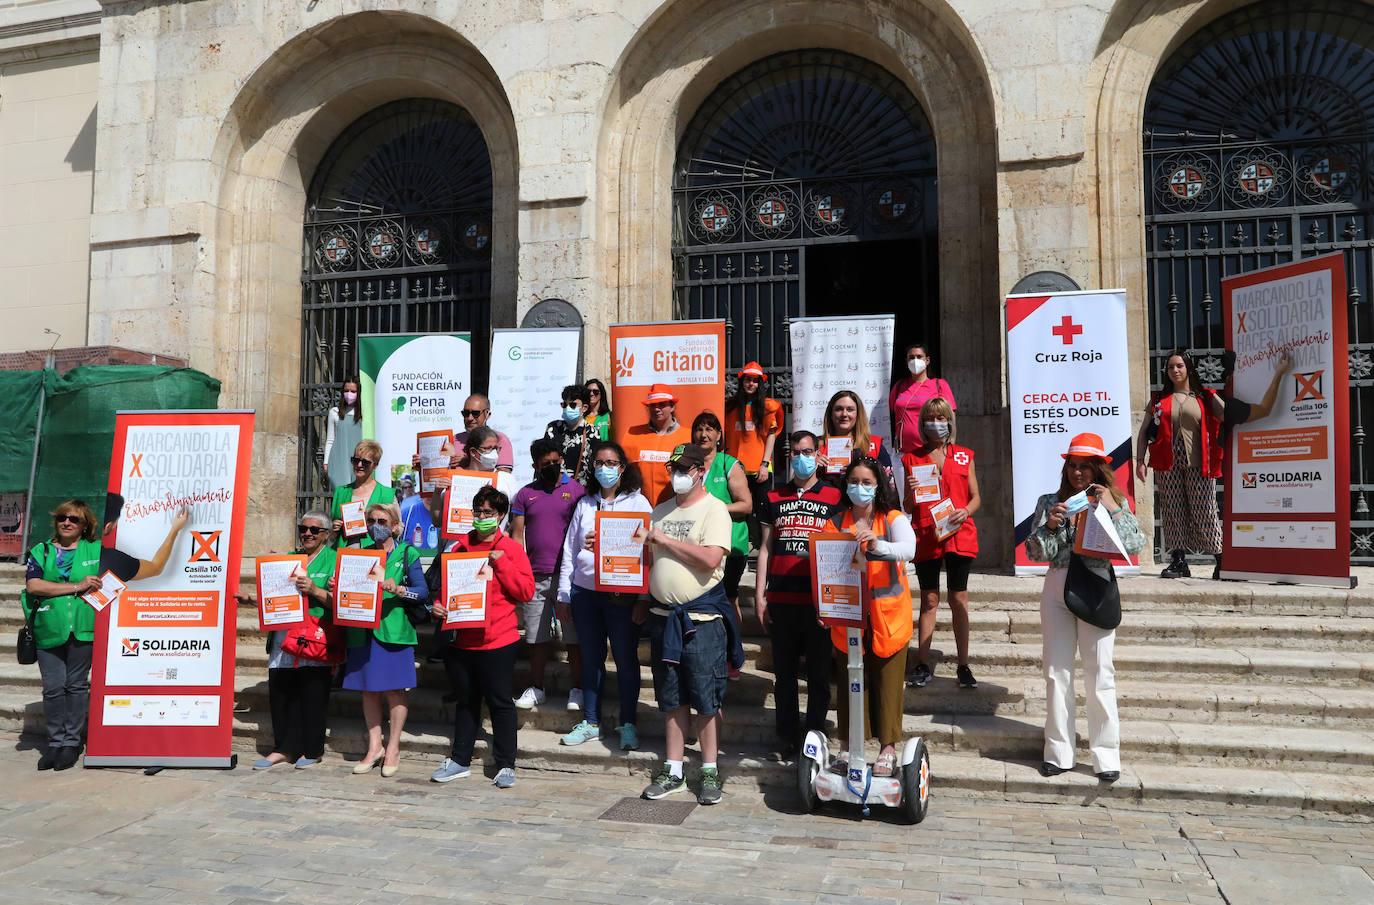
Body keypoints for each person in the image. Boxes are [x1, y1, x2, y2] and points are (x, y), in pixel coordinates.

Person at [21, 496, 189, 771]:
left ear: (85, 525)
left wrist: (174, 530)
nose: (66, 522)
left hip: (84, 631)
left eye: (73, 519)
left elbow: (155, 567)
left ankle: (70, 744)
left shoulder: (100, 553)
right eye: (62, 518)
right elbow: (34, 586)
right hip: (48, 628)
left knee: (75, 686)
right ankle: (54, 742)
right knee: (52, 689)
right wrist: (78, 586)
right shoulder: (42, 551)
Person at [1025, 433, 1146, 782]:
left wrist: (1113, 507)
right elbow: (1036, 554)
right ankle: (1059, 752)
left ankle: (1106, 756)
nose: (1077, 472)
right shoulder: (1050, 501)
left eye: (1084, 466)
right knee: (1056, 673)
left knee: (1100, 674)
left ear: (1097, 469)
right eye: (1072, 466)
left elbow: (1136, 544)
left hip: (1095, 585)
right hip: (1057, 586)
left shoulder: (1113, 500)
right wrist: (1050, 525)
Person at [639, 443, 741, 805]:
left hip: (701, 620)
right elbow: (643, 556)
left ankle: (710, 770)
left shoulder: (715, 510)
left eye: (683, 469)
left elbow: (711, 558)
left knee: (705, 698)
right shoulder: (660, 510)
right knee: (671, 698)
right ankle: (674, 770)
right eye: (673, 469)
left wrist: (665, 540)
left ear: (700, 471)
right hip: (663, 618)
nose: (676, 475)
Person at [429, 486, 535, 789]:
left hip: (498, 640)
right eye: (478, 511)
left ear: (501, 516)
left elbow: (525, 592)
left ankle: (506, 764)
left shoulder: (512, 549)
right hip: (462, 639)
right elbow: (445, 592)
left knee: (500, 703)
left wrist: (500, 562)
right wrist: (439, 606)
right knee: (466, 702)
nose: (482, 517)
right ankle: (460, 760)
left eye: (488, 512)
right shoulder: (459, 548)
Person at [558, 440, 652, 750]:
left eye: (611, 463)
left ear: (623, 468)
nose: (605, 469)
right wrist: (565, 593)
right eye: (599, 463)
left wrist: (643, 598)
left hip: (622, 597)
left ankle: (628, 724)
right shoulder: (585, 504)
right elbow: (570, 551)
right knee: (591, 660)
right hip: (586, 594)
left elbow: (647, 552)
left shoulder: (638, 504)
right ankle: (591, 721)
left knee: (625, 660)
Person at [825, 457, 915, 778]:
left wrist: (877, 545)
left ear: (878, 486)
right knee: (852, 683)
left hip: (888, 618)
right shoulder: (835, 520)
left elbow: (909, 548)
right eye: (854, 481)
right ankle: (849, 746)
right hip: (847, 617)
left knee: (887, 684)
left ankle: (888, 748)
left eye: (866, 482)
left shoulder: (891, 518)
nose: (859, 488)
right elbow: (823, 563)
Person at [755, 430, 843, 752]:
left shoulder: (835, 496)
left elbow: (840, 549)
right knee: (785, 676)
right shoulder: (774, 497)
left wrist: (835, 602)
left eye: (807, 452)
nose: (801, 457)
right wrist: (759, 595)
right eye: (795, 452)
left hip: (818, 601)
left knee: (820, 674)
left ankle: (816, 734)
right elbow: (764, 548)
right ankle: (787, 735)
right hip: (781, 598)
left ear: (818, 455)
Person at [234, 510, 338, 770]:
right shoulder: (287, 560)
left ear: (326, 535)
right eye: (303, 528)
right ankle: (283, 748)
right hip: (284, 635)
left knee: (313, 693)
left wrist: (314, 590)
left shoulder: (335, 561)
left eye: (315, 530)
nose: (307, 534)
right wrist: (252, 600)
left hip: (315, 636)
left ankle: (312, 749)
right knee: (281, 692)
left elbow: (342, 604)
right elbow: (274, 598)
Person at [339, 501, 428, 778]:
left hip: (394, 630)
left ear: (394, 526)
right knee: (368, 689)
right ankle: (374, 745)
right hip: (363, 629)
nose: (377, 527)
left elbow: (422, 592)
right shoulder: (361, 555)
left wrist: (400, 589)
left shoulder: (407, 552)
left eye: (382, 522)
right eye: (372, 522)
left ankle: (393, 747)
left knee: (395, 690)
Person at [901, 398, 980, 689]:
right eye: (930, 417)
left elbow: (976, 497)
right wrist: (909, 493)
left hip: (959, 531)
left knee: (958, 598)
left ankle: (963, 664)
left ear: (950, 421)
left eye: (941, 416)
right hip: (927, 533)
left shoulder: (963, 456)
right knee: (929, 599)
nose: (936, 421)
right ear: (922, 423)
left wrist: (966, 510)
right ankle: (922, 663)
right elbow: (908, 506)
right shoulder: (912, 458)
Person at [511, 438, 587, 712]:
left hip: (569, 577)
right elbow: (517, 535)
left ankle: (577, 689)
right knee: (535, 638)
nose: (553, 467)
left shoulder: (577, 491)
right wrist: (520, 572)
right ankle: (537, 688)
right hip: (535, 576)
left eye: (556, 462)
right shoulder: (524, 494)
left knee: (573, 638)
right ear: (535, 466)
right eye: (546, 464)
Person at [1134, 349, 1223, 578]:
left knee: (1205, 509)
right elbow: (1144, 432)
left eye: (1179, 366)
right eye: (1171, 367)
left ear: (1188, 369)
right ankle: (1179, 560)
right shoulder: (1158, 400)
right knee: (1173, 510)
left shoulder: (1204, 396)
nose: (1175, 370)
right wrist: (1140, 461)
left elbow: (1226, 416)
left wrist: (1221, 391)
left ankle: (1221, 558)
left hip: (1199, 461)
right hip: (1168, 461)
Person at [692, 411, 751, 678]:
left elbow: (746, 505)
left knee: (727, 598)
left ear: (719, 435)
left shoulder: (729, 464)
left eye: (710, 429)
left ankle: (733, 655)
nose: (704, 434)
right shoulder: (689, 464)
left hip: (730, 546)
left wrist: (713, 509)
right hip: (699, 546)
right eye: (699, 429)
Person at [426, 426, 520, 532]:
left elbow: (517, 518)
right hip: (457, 545)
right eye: (488, 448)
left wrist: (507, 534)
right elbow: (437, 522)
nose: (493, 453)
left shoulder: (506, 479)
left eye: (496, 449)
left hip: (493, 546)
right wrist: (437, 493)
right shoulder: (455, 478)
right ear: (473, 452)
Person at [724, 361, 783, 524]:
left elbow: (771, 435)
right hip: (735, 468)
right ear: (742, 381)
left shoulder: (768, 407)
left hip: (759, 468)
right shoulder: (730, 407)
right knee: (738, 509)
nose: (751, 383)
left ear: (760, 383)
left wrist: (764, 464)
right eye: (748, 379)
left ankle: (760, 545)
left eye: (755, 380)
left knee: (761, 510)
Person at [623, 383, 691, 506]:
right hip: (640, 509)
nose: (656, 409)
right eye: (652, 405)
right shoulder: (632, 435)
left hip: (675, 507)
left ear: (672, 407)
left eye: (662, 404)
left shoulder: (688, 436)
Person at [889, 342, 956, 455]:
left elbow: (951, 418)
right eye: (911, 357)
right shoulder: (899, 386)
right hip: (902, 453)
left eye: (919, 357)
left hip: (931, 452)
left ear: (927, 360)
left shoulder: (939, 385)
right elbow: (891, 412)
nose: (915, 360)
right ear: (907, 361)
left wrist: (951, 446)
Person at [331, 439, 396, 548]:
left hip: (374, 552)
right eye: (356, 460)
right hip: (344, 552)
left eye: (365, 462)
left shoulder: (387, 494)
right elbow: (331, 533)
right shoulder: (341, 492)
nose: (359, 465)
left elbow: (397, 528)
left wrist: (374, 524)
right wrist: (334, 528)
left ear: (375, 466)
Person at [820, 390, 892, 478]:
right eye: (839, 409)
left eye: (850, 409)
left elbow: (889, 483)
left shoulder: (874, 445)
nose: (844, 414)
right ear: (831, 414)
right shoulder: (817, 446)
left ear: (858, 414)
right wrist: (812, 468)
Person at [545, 384, 599, 483]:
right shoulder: (553, 428)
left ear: (584, 408)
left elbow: (596, 465)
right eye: (564, 405)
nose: (567, 408)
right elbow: (543, 459)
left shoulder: (592, 432)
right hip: (555, 488)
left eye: (573, 405)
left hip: (581, 491)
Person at [454, 393, 515, 472]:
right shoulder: (454, 439)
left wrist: (470, 462)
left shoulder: (499, 439)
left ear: (488, 414)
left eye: (475, 413)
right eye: (466, 413)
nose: (470, 418)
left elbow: (504, 473)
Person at [324, 376, 364, 489]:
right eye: (346, 391)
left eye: (353, 391)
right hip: (339, 461)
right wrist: (326, 462)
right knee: (343, 495)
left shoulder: (364, 414)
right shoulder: (334, 412)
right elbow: (330, 439)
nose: (349, 394)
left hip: (360, 460)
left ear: (358, 393)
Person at [396, 473, 435, 549]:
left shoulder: (450, 514)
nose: (407, 489)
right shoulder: (406, 513)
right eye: (405, 487)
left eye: (409, 487)